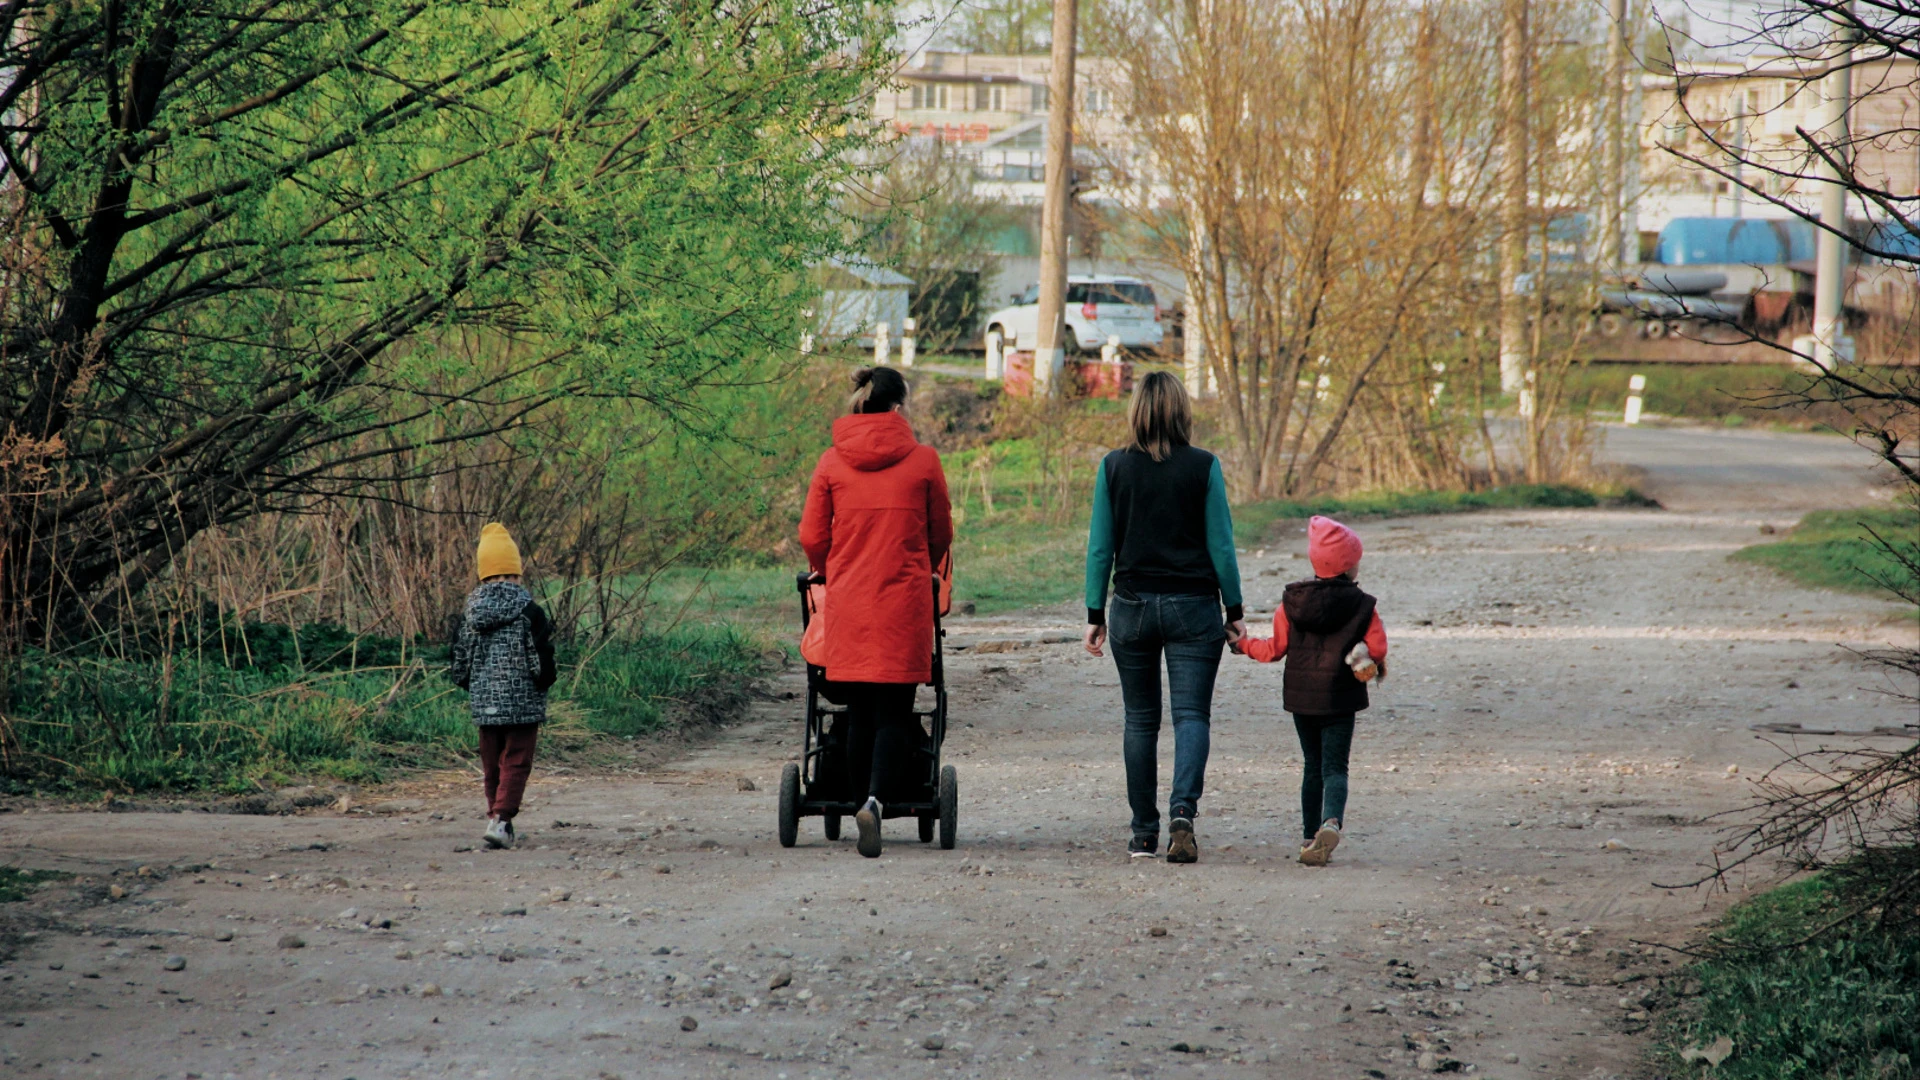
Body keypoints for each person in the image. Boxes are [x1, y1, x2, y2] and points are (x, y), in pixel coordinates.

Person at [1083, 372, 1245, 864]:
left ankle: (1142, 835)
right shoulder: (1204, 466)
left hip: (1131, 607)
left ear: (1136, 411)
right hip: (1193, 607)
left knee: (1140, 719)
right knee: (1192, 715)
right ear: (1182, 412)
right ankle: (1182, 813)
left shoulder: (1113, 467)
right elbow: (1221, 544)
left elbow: (1099, 548)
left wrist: (1095, 611)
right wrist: (1234, 610)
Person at [799, 367, 953, 858]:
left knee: (858, 710)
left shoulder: (831, 462)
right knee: (895, 712)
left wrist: (831, 568)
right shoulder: (924, 460)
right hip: (902, 604)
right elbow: (941, 533)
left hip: (849, 605)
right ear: (898, 407)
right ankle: (875, 801)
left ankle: (851, 801)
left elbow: (811, 536)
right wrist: (918, 562)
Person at [1233, 515, 1388, 867]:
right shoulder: (1364, 605)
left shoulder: (1291, 603)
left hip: (1303, 699)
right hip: (1341, 698)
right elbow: (1377, 649)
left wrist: (1242, 644)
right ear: (1350, 564)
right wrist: (1364, 654)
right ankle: (1330, 821)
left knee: (1312, 766)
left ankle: (1308, 836)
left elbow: (1274, 649)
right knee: (1335, 767)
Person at [449, 523, 558, 850]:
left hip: (485, 703)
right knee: (516, 760)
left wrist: (475, 687)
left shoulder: (470, 613)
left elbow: (459, 662)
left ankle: (494, 815)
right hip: (522, 702)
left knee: (492, 761)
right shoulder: (529, 612)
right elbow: (540, 658)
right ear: (516, 572)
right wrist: (543, 682)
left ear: (484, 574)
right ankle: (501, 819)